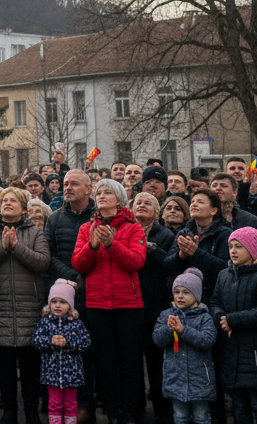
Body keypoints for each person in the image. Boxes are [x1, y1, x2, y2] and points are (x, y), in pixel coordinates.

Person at [71, 180, 146, 424]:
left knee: (130, 363)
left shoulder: (134, 228)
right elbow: (78, 265)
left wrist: (111, 244)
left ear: (120, 199)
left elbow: (135, 262)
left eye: (108, 192)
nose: (101, 196)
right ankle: (113, 413)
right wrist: (93, 245)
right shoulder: (86, 229)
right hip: (97, 305)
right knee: (105, 362)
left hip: (128, 306)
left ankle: (131, 414)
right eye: (99, 192)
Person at [0, 186, 50, 424]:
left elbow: (43, 263)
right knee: (4, 365)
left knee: (30, 365)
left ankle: (30, 411)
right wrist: (2, 247)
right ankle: (9, 412)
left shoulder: (35, 232)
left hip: (29, 306)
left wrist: (16, 247)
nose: (6, 203)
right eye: (4, 200)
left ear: (23, 207)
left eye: (12, 200)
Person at [44, 169, 96, 422]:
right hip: (65, 292)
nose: (67, 188)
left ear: (88, 189)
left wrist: (85, 279)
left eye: (74, 183)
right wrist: (73, 277)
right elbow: (49, 255)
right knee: (65, 350)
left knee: (88, 349)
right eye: (65, 184)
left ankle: (88, 403)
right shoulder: (54, 219)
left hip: (93, 291)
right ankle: (64, 407)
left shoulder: (99, 217)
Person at [209, 227, 257, 424]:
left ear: (253, 250)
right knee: (239, 408)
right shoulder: (223, 275)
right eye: (231, 246)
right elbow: (215, 302)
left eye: (239, 246)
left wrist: (231, 320)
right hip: (232, 352)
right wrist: (221, 318)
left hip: (256, 356)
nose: (233, 251)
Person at [151, 268, 217, 424]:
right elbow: (157, 340)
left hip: (201, 381)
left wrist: (183, 330)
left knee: (202, 417)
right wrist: (169, 329)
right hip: (176, 379)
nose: (180, 296)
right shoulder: (166, 315)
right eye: (177, 292)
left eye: (186, 292)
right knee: (180, 418)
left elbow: (207, 340)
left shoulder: (204, 317)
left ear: (196, 296)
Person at [132, 192, 174, 424]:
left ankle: (162, 408)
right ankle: (136, 407)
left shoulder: (166, 235)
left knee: (158, 360)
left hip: (156, 305)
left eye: (148, 203)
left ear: (157, 213)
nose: (142, 205)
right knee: (133, 360)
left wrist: (152, 249)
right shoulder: (125, 231)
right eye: (138, 202)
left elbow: (171, 264)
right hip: (129, 303)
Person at [31, 279, 92, 424]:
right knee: (54, 403)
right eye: (54, 301)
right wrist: (50, 342)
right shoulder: (45, 323)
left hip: (72, 374)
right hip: (51, 374)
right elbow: (36, 341)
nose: (58, 306)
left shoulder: (76, 324)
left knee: (71, 404)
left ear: (70, 304)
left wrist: (68, 342)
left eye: (63, 302)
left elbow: (86, 343)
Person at [162, 190, 231, 307]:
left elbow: (225, 269)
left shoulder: (225, 234)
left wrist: (196, 253)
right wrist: (181, 256)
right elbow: (166, 267)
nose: (194, 204)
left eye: (200, 202)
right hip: (181, 299)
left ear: (214, 210)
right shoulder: (184, 232)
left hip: (211, 299)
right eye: (192, 201)